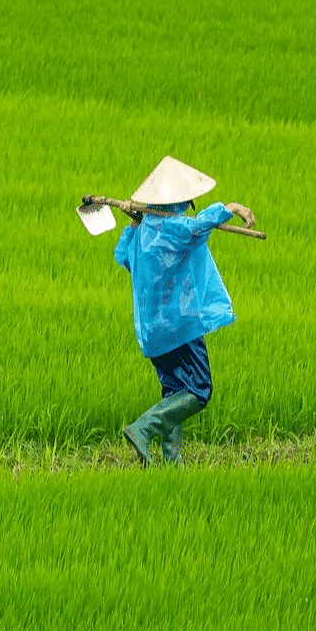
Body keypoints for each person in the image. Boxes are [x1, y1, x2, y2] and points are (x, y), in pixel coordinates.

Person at [111, 156, 255, 466]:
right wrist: (229, 207)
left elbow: (122, 256)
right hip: (180, 325)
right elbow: (197, 226)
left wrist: (134, 223)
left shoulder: (141, 230)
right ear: (179, 200)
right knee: (199, 390)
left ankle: (172, 462)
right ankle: (143, 428)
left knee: (175, 390)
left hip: (152, 330)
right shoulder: (175, 228)